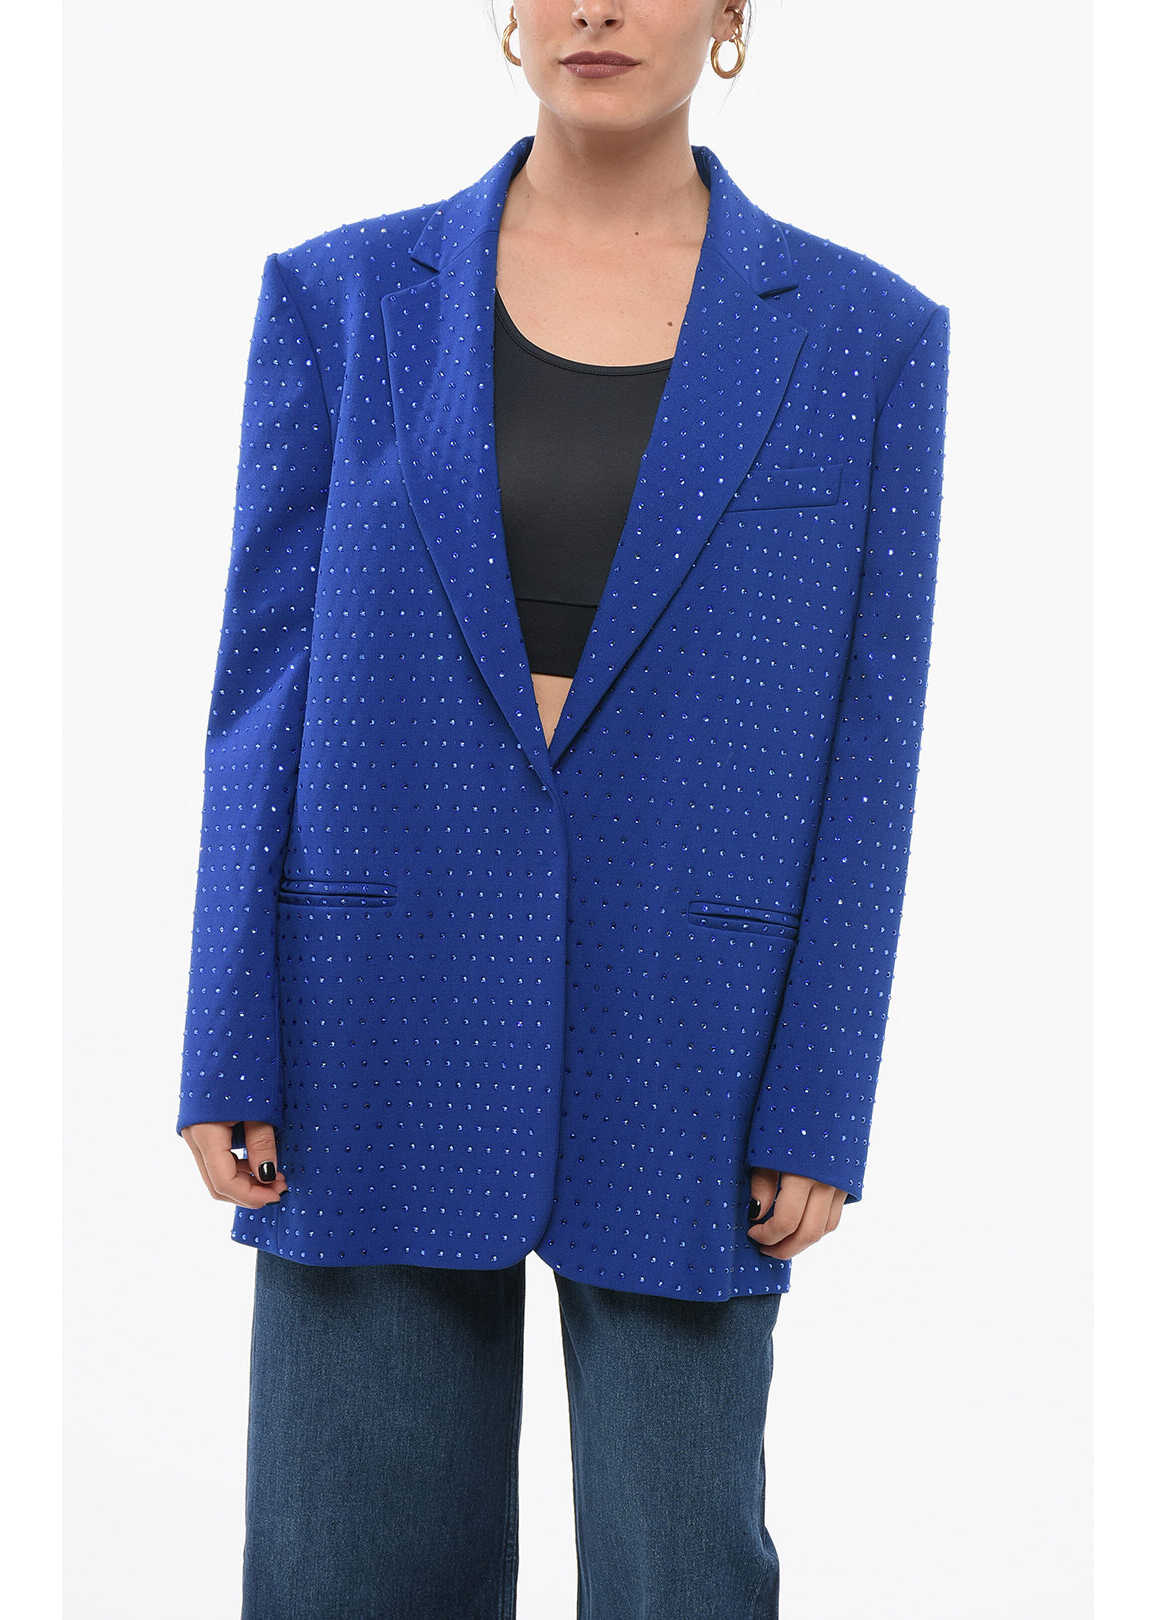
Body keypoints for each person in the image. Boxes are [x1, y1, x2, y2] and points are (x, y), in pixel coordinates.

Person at [177, 4, 951, 1615]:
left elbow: (873, 738)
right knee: (349, 1565)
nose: (595, 7)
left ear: (728, 17)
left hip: (695, 1023)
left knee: (685, 1566)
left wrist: (819, 1093)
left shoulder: (865, 336)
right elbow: (263, 684)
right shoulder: (341, 298)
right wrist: (228, 1039)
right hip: (371, 1002)